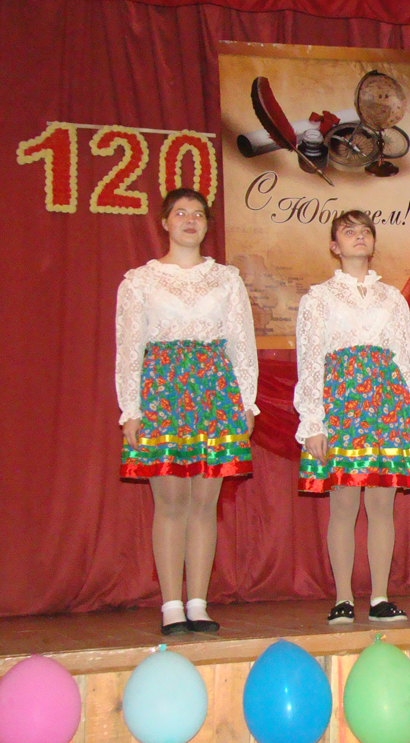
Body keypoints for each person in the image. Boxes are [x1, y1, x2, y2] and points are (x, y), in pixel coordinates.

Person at [115, 188, 258, 635]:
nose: (190, 220)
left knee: (204, 501)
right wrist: (130, 408)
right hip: (163, 390)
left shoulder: (227, 279)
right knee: (171, 500)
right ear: (165, 222)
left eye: (198, 214)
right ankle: (171, 605)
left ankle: (198, 602)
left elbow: (241, 342)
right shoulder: (140, 281)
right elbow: (129, 347)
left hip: (215, 389)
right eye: (180, 213)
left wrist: (246, 401)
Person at [294, 210, 410, 625]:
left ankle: (380, 597)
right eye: (348, 231)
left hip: (388, 405)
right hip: (342, 405)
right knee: (343, 503)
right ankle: (342, 598)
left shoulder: (392, 298)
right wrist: (313, 421)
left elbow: (405, 358)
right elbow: (310, 360)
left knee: (382, 505)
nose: (359, 237)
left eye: (366, 231)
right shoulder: (318, 298)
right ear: (334, 246)